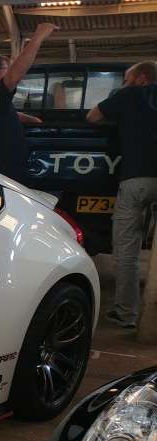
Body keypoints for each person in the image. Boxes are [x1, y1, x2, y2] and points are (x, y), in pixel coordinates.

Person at [86, 60, 157, 329]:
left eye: (127, 79)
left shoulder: (129, 95)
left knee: (127, 250)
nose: (125, 84)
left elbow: (92, 116)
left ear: (141, 78)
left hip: (136, 180)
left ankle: (126, 313)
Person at [0, 23, 58, 182]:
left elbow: (2, 113)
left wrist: (31, 119)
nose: (9, 73)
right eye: (6, 70)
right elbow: (15, 75)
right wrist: (38, 37)